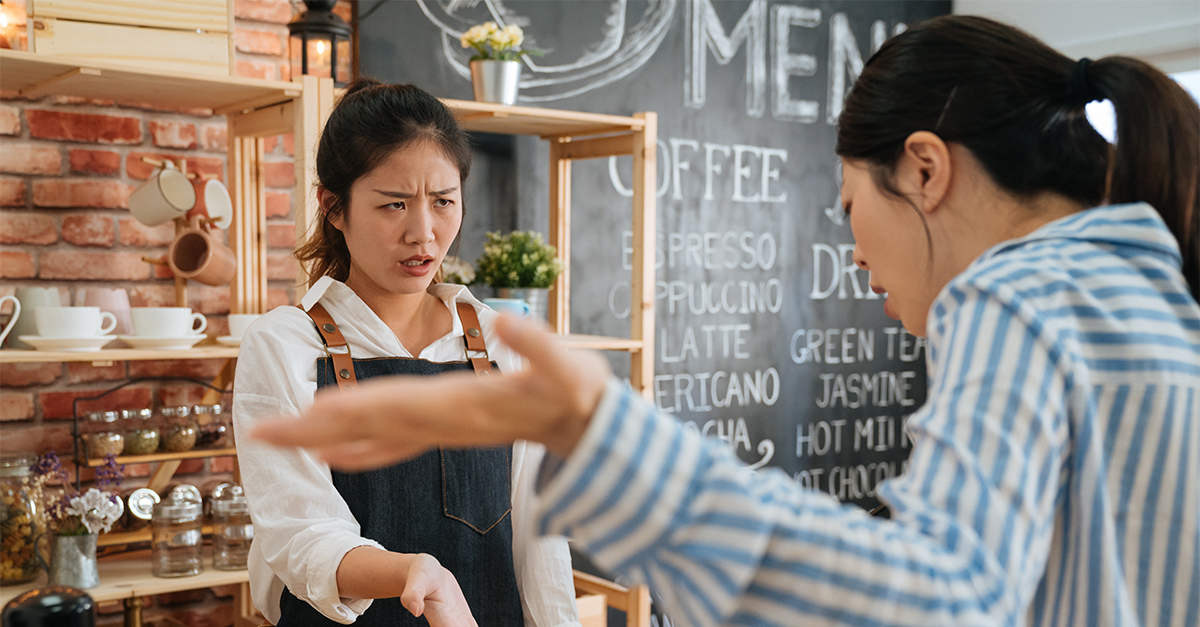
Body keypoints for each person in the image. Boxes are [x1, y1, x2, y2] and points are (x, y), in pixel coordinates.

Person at [251, 16, 1200, 627]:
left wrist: (623, 451)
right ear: (337, 207)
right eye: (389, 205)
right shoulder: (1145, 296)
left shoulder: (1017, 301)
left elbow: (940, 600)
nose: (856, 251)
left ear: (924, 169)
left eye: (847, 207)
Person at [232, 80, 580, 627]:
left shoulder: (502, 345)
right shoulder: (283, 345)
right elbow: (299, 532)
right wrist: (412, 573)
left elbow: (540, 540)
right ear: (334, 207)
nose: (424, 233)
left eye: (443, 202)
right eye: (394, 204)